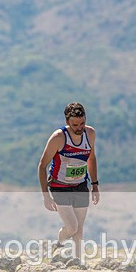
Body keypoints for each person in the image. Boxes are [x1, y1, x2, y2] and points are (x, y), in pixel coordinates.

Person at [37, 102, 100, 259]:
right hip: (60, 186)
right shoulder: (58, 138)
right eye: (75, 125)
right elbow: (42, 166)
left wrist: (95, 185)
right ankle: (58, 243)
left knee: (79, 230)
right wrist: (45, 196)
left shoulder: (90, 134)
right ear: (67, 122)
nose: (79, 128)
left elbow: (91, 159)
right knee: (72, 227)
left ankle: (78, 262)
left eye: (82, 123)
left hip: (80, 185)